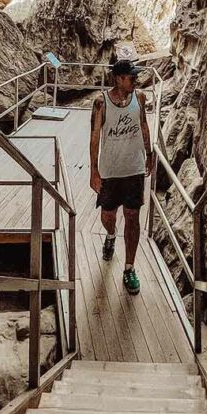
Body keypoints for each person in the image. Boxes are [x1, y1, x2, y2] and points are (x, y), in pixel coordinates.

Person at [89, 58, 154, 295]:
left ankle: (129, 267)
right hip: (111, 170)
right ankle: (110, 235)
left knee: (132, 216)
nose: (135, 81)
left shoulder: (140, 98)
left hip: (134, 168)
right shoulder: (100, 103)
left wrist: (149, 153)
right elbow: (95, 137)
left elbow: (144, 125)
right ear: (118, 79)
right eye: (131, 77)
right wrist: (93, 171)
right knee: (108, 215)